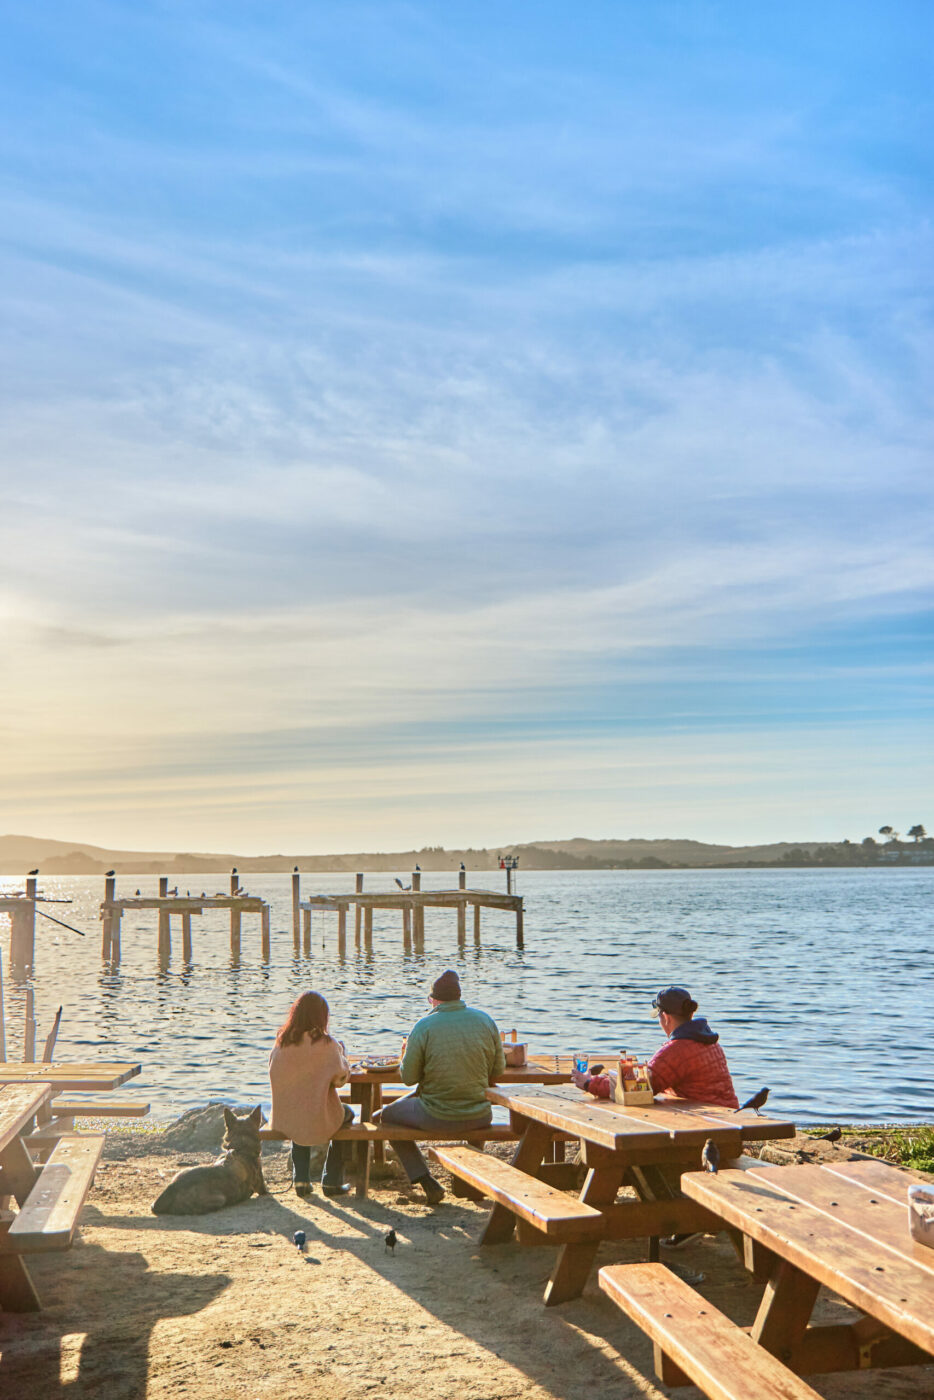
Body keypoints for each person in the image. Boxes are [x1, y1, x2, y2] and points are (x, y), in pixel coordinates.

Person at [377, 969, 505, 1204]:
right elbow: (498, 1070)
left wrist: (405, 1056)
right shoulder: (485, 1020)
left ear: (434, 1000)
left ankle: (426, 1180)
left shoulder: (424, 1026)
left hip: (436, 1115)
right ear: (458, 997)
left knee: (385, 1116)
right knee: (471, 1099)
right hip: (479, 1115)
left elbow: (408, 1078)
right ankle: (470, 1180)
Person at [573, 986, 739, 1109]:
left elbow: (637, 1088)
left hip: (706, 1125)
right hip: (728, 1116)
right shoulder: (710, 1042)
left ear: (665, 1017)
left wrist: (590, 1083)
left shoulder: (676, 1050)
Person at [268, 991, 354, 1198]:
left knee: (300, 1110)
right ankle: (332, 1179)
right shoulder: (328, 1044)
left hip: (284, 1117)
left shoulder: (281, 1042)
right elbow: (340, 1079)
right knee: (347, 1114)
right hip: (312, 1115)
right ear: (321, 1016)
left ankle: (301, 1179)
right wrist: (342, 1056)